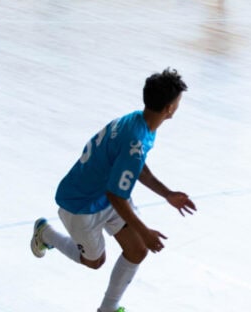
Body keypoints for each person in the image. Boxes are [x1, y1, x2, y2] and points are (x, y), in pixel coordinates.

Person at [30, 68, 196, 312]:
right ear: (170, 108)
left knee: (137, 250)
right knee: (95, 261)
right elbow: (116, 195)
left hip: (103, 196)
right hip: (81, 205)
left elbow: (136, 166)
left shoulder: (139, 122)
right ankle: (46, 234)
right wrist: (145, 230)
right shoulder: (136, 140)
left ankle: (107, 309)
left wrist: (167, 194)